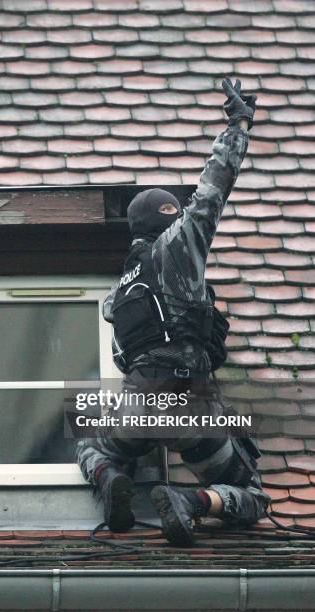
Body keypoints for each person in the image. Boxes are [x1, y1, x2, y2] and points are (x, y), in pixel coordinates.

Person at [75, 78, 270, 547]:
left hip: (138, 405)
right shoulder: (178, 248)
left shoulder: (119, 294)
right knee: (253, 495)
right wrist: (238, 125)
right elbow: (211, 192)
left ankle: (109, 481)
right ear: (172, 222)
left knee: (90, 444)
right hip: (190, 403)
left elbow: (124, 359)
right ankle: (192, 503)